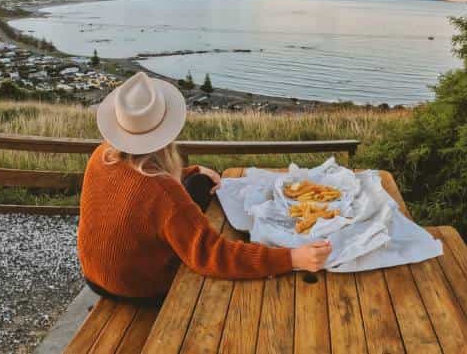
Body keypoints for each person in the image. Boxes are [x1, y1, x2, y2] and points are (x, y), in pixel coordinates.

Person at [78, 71, 331, 302]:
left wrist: (193, 171)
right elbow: (213, 255)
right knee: (220, 287)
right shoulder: (163, 192)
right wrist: (292, 258)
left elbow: (134, 190)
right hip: (140, 288)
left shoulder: (101, 156)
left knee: (199, 184)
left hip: (95, 275)